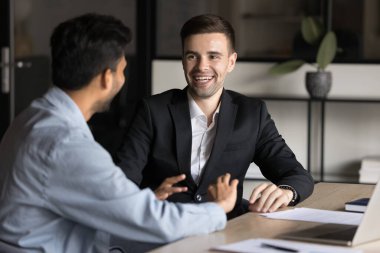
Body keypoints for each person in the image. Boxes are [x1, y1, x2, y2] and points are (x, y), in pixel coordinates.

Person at [0, 13, 239, 253]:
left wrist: (136, 204)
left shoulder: (30, 118)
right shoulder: (66, 144)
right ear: (107, 77)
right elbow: (154, 222)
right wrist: (218, 208)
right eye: (123, 71)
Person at [117, 14, 314, 219]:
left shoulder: (252, 113)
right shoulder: (152, 111)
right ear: (183, 61)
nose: (202, 66)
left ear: (231, 62)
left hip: (228, 228)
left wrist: (285, 192)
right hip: (167, 227)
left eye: (213, 56)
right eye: (192, 56)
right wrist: (149, 199)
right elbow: (121, 184)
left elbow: (298, 175)